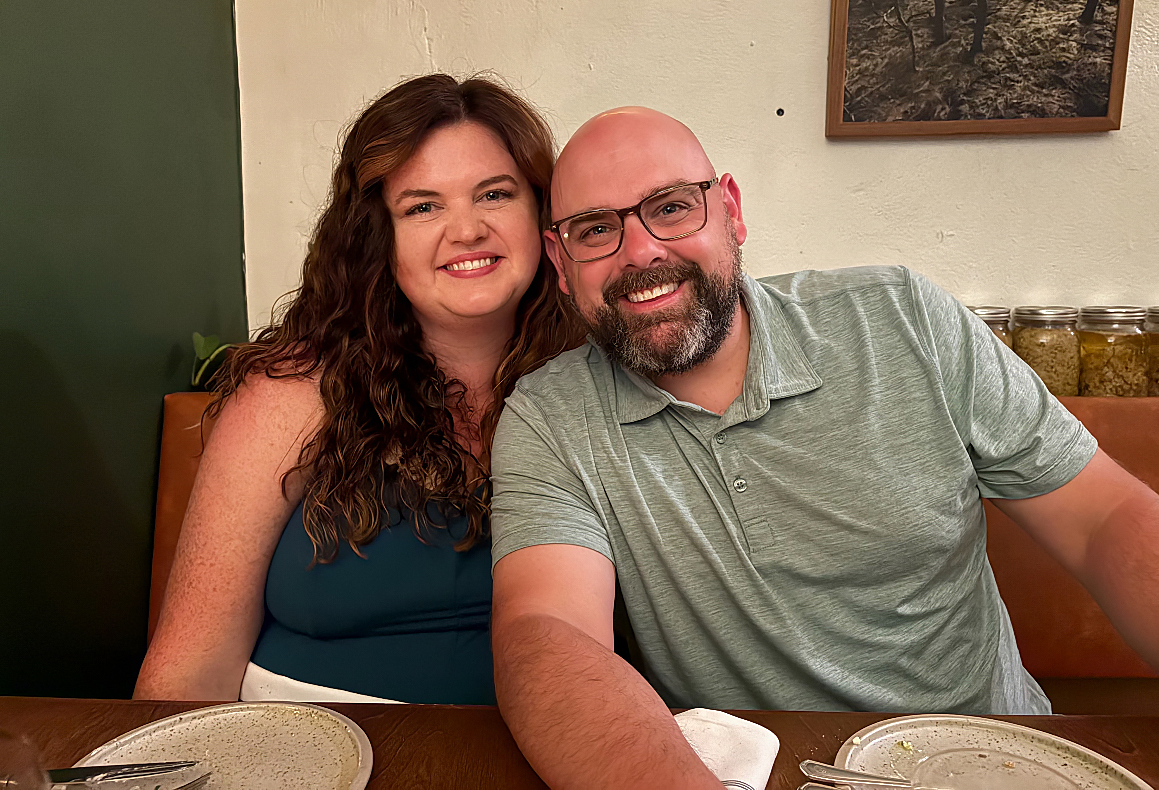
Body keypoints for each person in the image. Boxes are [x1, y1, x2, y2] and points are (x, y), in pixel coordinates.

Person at [489, 106, 1159, 788]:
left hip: (992, 762)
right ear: (561, 263)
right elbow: (549, 632)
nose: (639, 252)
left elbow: (1104, 517)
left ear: (730, 211)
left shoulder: (903, 318)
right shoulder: (551, 417)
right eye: (595, 229)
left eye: (671, 207)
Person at [134, 74, 581, 704]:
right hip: (302, 752)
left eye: (495, 194)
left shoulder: (597, 384)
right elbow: (187, 669)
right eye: (422, 206)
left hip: (550, 751)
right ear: (379, 236)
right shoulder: (293, 394)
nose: (467, 230)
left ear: (541, 213)